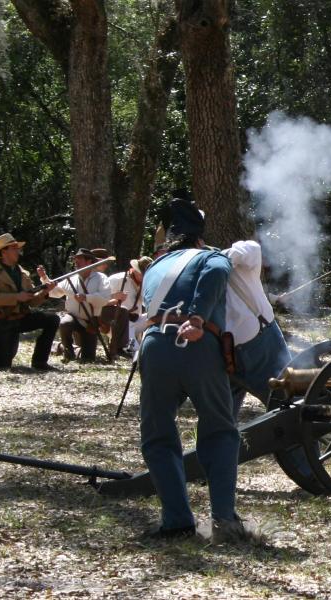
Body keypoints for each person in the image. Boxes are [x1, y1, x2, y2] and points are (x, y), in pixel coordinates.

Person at [136, 196, 252, 541]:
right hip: (198, 348)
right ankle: (224, 520)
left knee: (157, 436)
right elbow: (218, 272)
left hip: (156, 346)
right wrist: (199, 317)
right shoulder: (210, 257)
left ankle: (176, 520)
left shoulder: (154, 267)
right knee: (220, 430)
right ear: (199, 237)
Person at [221, 240, 291, 415]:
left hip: (228, 350)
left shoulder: (199, 267)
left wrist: (216, 262)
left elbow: (251, 249)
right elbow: (252, 248)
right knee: (288, 401)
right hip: (259, 342)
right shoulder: (204, 265)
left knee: (224, 415)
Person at [0, 233, 59, 371]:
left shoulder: (23, 273)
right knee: (2, 364)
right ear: (4, 251)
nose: (18, 251)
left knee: (52, 319)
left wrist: (45, 291)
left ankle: (40, 361)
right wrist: (17, 297)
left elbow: (32, 302)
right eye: (14, 248)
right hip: (1, 322)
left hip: (20, 318)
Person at [46, 248, 111, 363]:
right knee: (65, 323)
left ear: (89, 262)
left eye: (79, 259)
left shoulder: (101, 278)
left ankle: (61, 347)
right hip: (74, 317)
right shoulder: (71, 278)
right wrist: (44, 279)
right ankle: (68, 352)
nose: (76, 262)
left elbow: (104, 299)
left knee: (88, 359)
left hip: (91, 322)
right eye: (75, 259)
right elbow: (55, 292)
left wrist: (86, 297)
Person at [103, 255, 150, 358]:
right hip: (120, 323)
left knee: (157, 316)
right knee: (136, 352)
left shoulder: (146, 283)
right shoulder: (116, 279)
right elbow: (100, 301)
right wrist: (114, 299)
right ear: (134, 270)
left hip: (135, 320)